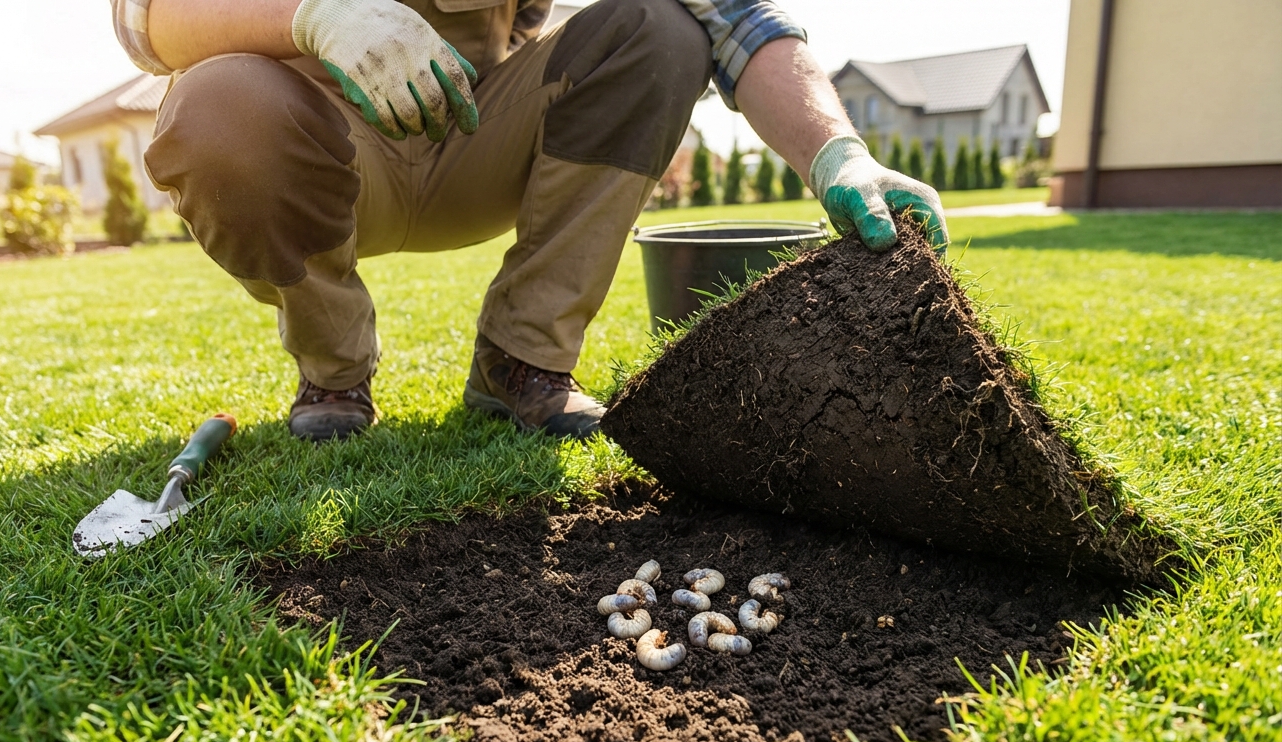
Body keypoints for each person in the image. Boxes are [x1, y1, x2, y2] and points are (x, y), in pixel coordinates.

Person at [110, 0, 947, 442]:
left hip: (476, 129)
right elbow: (145, 17)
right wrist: (315, 15)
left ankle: (523, 359)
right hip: (318, 145)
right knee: (213, 105)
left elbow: (734, 15)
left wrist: (838, 150)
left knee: (660, 28)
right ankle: (333, 373)